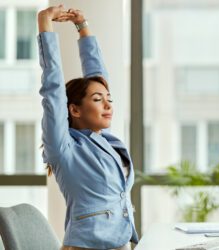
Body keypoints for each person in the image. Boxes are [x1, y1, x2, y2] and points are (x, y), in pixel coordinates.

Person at [37, 5, 138, 250]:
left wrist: (82, 26)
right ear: (73, 110)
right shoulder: (63, 147)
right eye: (97, 100)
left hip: (121, 243)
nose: (107, 105)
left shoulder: (106, 142)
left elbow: (97, 75)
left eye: (109, 99)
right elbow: (53, 91)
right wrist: (45, 23)